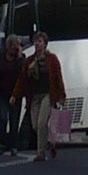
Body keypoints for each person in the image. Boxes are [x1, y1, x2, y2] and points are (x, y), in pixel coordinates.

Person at [11, 31, 67, 162]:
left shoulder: (52, 59)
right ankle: (50, 142)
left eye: (40, 41)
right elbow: (22, 79)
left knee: (42, 122)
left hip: (48, 95)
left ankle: (41, 153)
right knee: (35, 125)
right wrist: (15, 94)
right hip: (34, 96)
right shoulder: (30, 60)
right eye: (36, 41)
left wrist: (62, 95)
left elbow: (58, 77)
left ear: (45, 44)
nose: (37, 44)